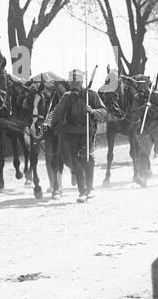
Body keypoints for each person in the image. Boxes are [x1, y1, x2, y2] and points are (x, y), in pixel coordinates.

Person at [41, 69, 108, 202]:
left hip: (87, 133)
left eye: (77, 82)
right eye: (72, 82)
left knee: (87, 160)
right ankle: (82, 192)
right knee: (76, 162)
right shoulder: (67, 97)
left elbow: (104, 111)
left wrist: (93, 111)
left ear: (82, 81)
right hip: (71, 133)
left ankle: (90, 189)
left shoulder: (91, 95)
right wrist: (47, 123)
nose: (74, 85)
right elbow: (56, 111)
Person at [127, 75, 158, 186]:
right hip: (145, 129)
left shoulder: (157, 96)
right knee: (143, 153)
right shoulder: (137, 98)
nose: (139, 86)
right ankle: (143, 177)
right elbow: (134, 114)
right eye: (138, 84)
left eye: (141, 84)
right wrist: (142, 108)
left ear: (146, 84)